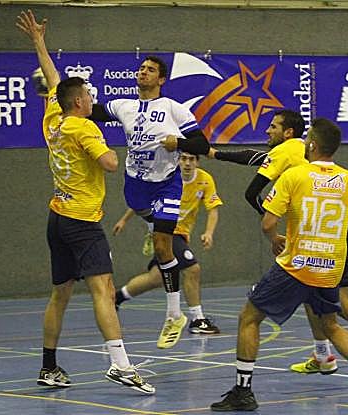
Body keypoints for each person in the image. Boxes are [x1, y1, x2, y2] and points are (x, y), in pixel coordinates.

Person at [209, 110, 348, 388]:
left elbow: (252, 186)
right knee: (310, 286)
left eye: (273, 127)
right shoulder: (293, 154)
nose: (268, 131)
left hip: (336, 228)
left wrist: (212, 153)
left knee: (343, 303)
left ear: (295, 136)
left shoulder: (289, 153)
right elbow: (254, 157)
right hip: (326, 226)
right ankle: (323, 355)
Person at [16, 9, 154, 394]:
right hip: (82, 221)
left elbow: (54, 80)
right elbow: (110, 163)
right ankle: (120, 365)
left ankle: (48, 367)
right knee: (103, 289)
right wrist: (123, 142)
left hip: (58, 217)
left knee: (60, 293)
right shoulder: (83, 126)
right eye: (90, 95)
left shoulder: (54, 117)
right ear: (79, 102)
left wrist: (39, 41)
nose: (93, 99)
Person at [90, 56, 210, 349]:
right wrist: (57, 97)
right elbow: (89, 112)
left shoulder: (174, 109)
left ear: (161, 79)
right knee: (158, 238)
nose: (143, 72)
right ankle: (153, 226)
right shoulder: (123, 106)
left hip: (166, 185)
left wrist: (178, 143)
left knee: (162, 245)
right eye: (142, 68)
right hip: (136, 187)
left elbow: (201, 144)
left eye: (151, 70)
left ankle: (174, 314)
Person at [112, 152, 222, 334]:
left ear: (197, 162)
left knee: (156, 278)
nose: (187, 163)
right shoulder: (166, 176)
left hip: (182, 234)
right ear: (178, 160)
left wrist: (209, 233)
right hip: (165, 231)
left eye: (191, 159)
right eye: (183, 159)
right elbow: (143, 200)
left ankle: (116, 297)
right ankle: (197, 320)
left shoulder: (205, 180)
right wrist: (124, 220)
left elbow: (213, 210)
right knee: (192, 269)